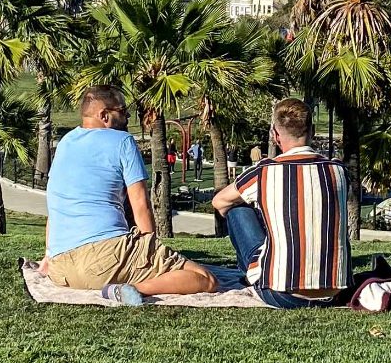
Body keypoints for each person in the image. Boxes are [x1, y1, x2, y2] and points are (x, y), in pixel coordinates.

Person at [41, 86, 222, 306]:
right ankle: (128, 289)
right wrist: (151, 250)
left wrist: (49, 255)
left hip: (62, 270)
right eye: (123, 110)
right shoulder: (122, 142)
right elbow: (140, 205)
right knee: (206, 279)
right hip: (105, 258)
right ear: (104, 116)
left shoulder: (65, 143)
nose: (128, 116)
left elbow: (55, 206)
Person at [212, 98, 351, 309]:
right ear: (312, 131)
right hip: (335, 290)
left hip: (281, 292)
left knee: (236, 209)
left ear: (275, 135)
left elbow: (219, 202)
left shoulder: (264, 171)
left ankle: (253, 273)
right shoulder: (338, 170)